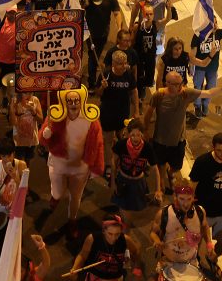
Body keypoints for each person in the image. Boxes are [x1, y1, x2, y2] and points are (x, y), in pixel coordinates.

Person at [142, 71, 222, 195]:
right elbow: (148, 113)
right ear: (167, 83)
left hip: (178, 141)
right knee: (160, 165)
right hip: (160, 141)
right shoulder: (159, 95)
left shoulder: (185, 93)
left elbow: (209, 93)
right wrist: (145, 130)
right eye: (176, 84)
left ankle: (170, 173)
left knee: (176, 167)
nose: (180, 87)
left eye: (181, 83)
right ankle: (161, 185)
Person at [38, 87, 105, 240]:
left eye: (76, 100)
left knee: (76, 197)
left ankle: (72, 220)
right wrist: (45, 134)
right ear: (64, 102)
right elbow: (42, 140)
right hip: (58, 164)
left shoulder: (91, 120)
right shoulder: (55, 116)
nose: (74, 103)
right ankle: (55, 198)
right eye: (70, 101)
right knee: (58, 192)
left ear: (82, 100)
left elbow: (98, 144)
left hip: (80, 168)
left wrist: (96, 167)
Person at [150, 178, 221, 280]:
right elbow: (153, 232)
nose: (186, 204)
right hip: (168, 261)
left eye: (189, 199)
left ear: (193, 197)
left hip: (190, 261)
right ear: (175, 197)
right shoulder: (163, 214)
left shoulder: (200, 212)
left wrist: (209, 245)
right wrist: (156, 241)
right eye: (182, 199)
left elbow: (205, 227)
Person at [189, 132, 222, 261]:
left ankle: (212, 257)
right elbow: (193, 185)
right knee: (193, 245)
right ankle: (193, 262)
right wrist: (188, 206)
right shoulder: (202, 162)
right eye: (219, 150)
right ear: (213, 148)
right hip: (202, 211)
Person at [99, 51, 139, 184]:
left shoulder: (128, 74)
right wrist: (102, 87)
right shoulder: (105, 74)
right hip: (108, 113)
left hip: (122, 112)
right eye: (120, 64)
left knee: (122, 137)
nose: (123, 66)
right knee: (108, 140)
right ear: (113, 63)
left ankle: (124, 159)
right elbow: (99, 94)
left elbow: (133, 91)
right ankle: (108, 166)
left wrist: (137, 110)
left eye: (124, 63)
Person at [69, 214, 144, 281]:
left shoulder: (125, 240)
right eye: (110, 234)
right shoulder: (92, 238)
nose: (113, 238)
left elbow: (136, 251)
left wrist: (137, 267)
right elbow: (82, 255)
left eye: (117, 234)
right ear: (104, 230)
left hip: (116, 279)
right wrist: (75, 268)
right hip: (95, 278)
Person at [111, 118, 159, 212]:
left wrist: (158, 189)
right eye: (132, 135)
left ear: (142, 134)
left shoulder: (147, 148)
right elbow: (113, 161)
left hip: (138, 182)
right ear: (128, 134)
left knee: (135, 208)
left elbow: (155, 169)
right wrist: (113, 182)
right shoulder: (121, 144)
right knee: (122, 207)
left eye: (138, 135)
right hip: (122, 180)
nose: (135, 138)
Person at [191, 22, 222, 118]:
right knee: (197, 88)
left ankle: (205, 104)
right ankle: (198, 106)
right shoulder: (198, 36)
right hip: (200, 68)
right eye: (212, 22)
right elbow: (192, 55)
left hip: (213, 68)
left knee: (212, 87)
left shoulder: (218, 33)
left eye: (216, 22)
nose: (215, 24)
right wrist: (195, 65)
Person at [83, 0, 119, 90]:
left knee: (96, 55)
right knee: (92, 56)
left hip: (103, 33)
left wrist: (119, 27)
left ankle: (94, 76)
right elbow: (83, 6)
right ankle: (92, 83)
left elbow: (117, 13)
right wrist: (85, 3)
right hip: (90, 33)